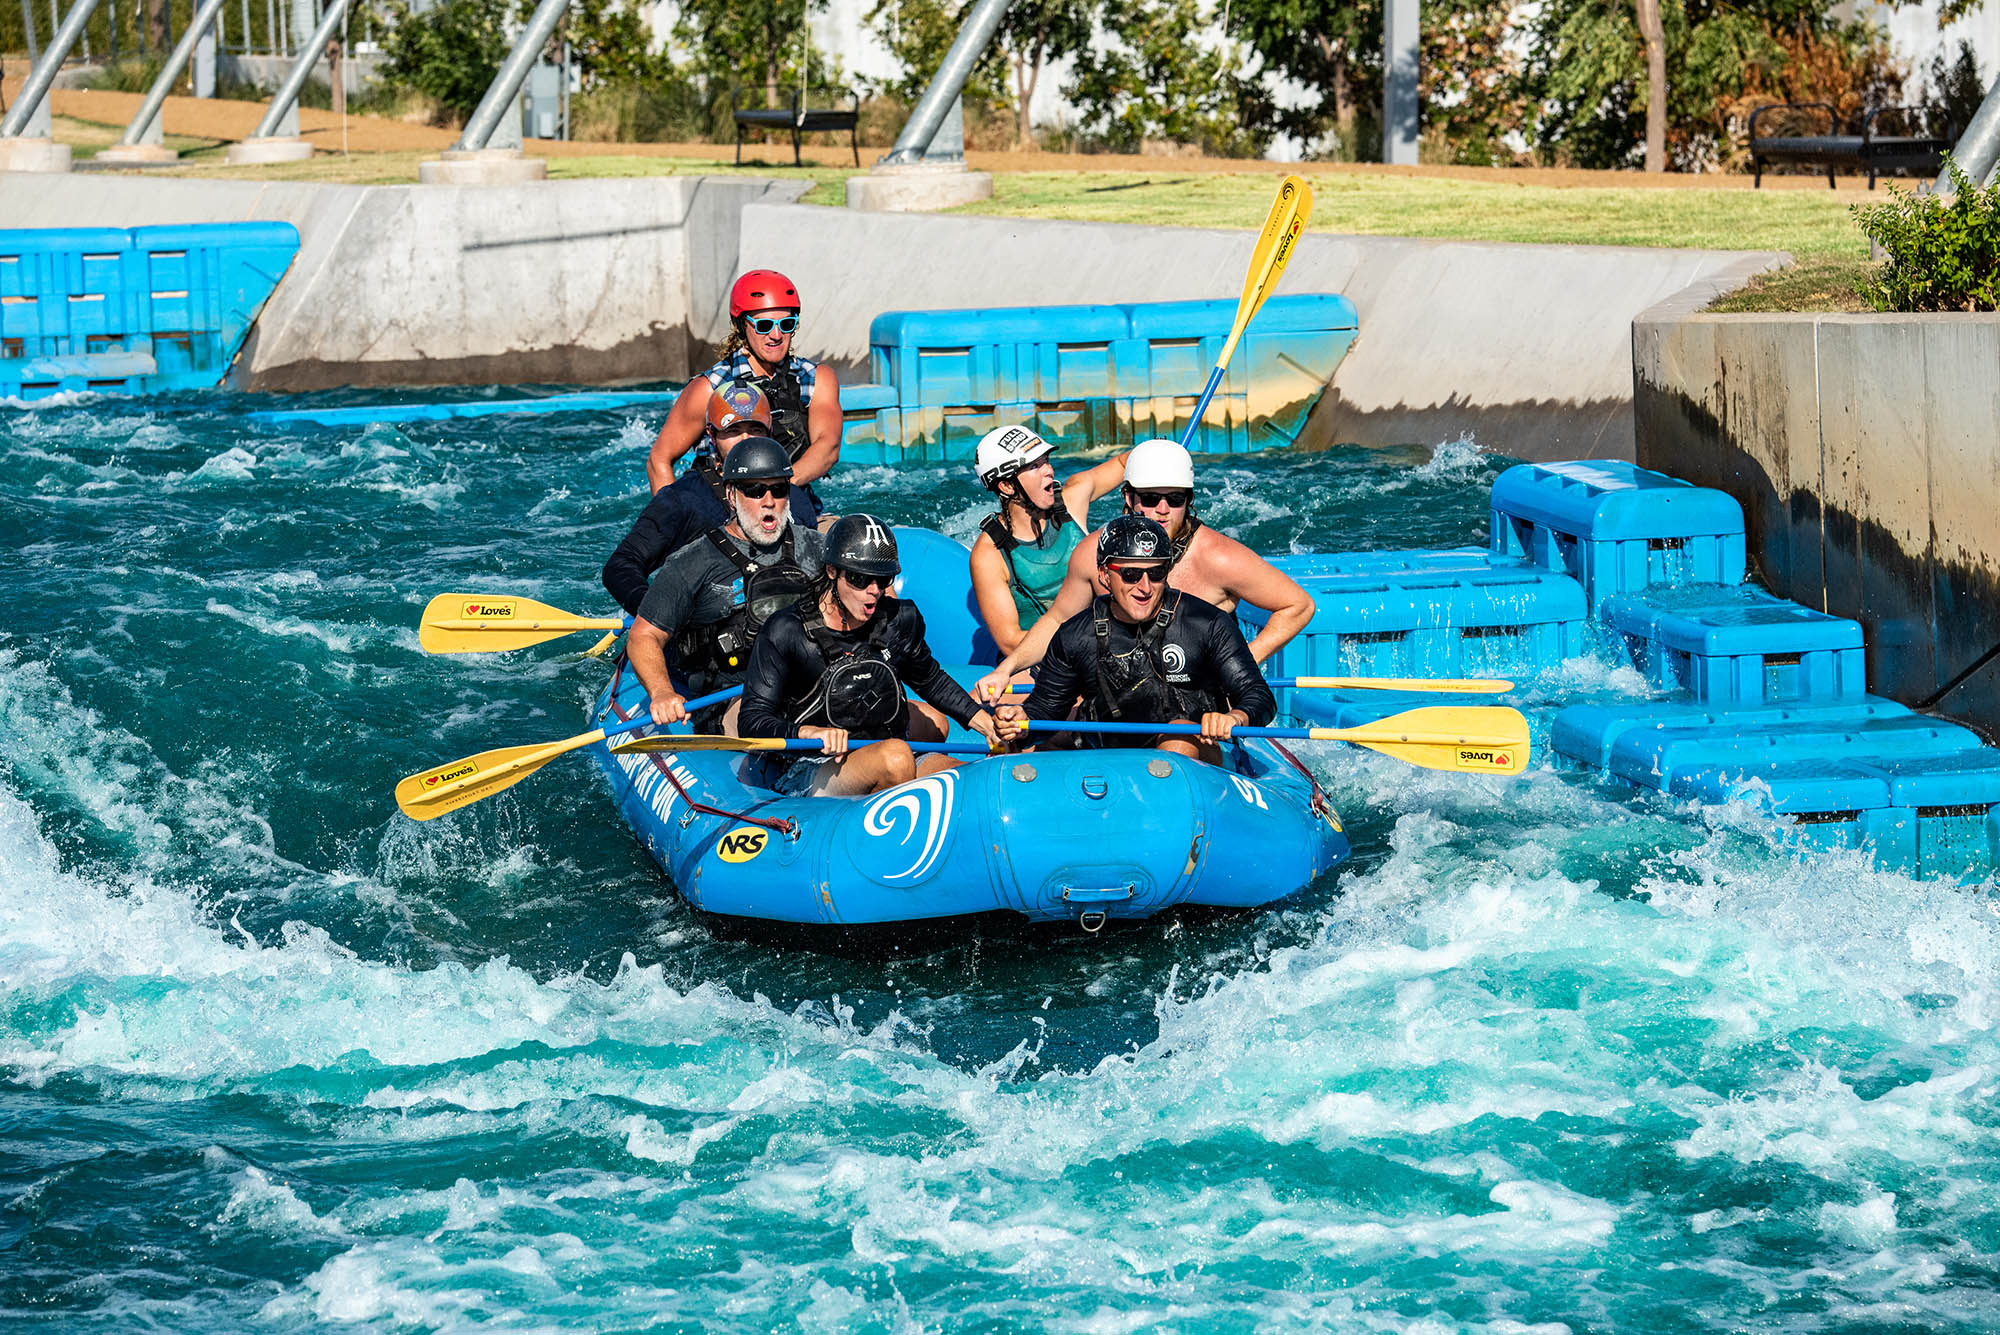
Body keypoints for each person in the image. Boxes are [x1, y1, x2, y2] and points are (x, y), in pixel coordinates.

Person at [973, 437, 1315, 702]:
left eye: (1175, 499)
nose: (1162, 510)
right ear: (1128, 497)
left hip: (1193, 708)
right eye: (1150, 498)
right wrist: (1006, 670)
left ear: (1189, 500)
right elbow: (1058, 621)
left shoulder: (1218, 558)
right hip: (1116, 698)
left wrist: (1233, 667)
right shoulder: (1093, 551)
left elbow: (1298, 606)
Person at [739, 515, 1003, 797]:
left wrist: (985, 722)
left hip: (884, 746)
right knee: (896, 758)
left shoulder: (899, 619)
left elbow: (931, 680)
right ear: (831, 571)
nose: (874, 591)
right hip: (809, 765)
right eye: (859, 578)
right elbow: (752, 720)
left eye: (882, 579)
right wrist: (807, 733)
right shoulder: (786, 631)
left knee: (971, 785)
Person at [992, 515, 1275, 765]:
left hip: (1201, 755)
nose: (1145, 587)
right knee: (1011, 746)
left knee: (1177, 736)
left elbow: (1258, 696)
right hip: (1112, 757)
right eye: (1130, 574)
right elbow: (1045, 711)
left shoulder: (1209, 623)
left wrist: (1234, 717)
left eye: (1156, 573)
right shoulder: (1074, 635)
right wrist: (1020, 719)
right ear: (1104, 575)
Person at [625, 437, 823, 736]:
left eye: (779, 490)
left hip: (813, 684)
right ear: (731, 494)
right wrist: (662, 692)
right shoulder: (692, 562)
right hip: (733, 699)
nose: (768, 501)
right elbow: (643, 636)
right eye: (754, 490)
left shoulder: (817, 548)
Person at [603, 382, 819, 615]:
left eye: (754, 430)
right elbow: (621, 566)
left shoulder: (794, 499)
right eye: (733, 431)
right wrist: (658, 615)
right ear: (712, 435)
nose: (745, 439)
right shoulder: (682, 500)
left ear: (769, 432)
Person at [645, 269, 843, 506]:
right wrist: (671, 520)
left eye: (787, 324)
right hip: (722, 514)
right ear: (741, 326)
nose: (776, 335)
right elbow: (659, 459)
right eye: (764, 325)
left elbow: (828, 447)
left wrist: (775, 490)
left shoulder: (816, 379)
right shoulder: (708, 388)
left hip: (792, 506)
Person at [967, 425, 1132, 656]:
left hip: (1106, 647)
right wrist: (1090, 639)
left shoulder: (1071, 501)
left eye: (1046, 461)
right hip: (1042, 662)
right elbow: (1011, 643)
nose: (1049, 471)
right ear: (1006, 485)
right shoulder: (989, 555)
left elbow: (1125, 464)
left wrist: (1158, 450)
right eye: (1035, 466)